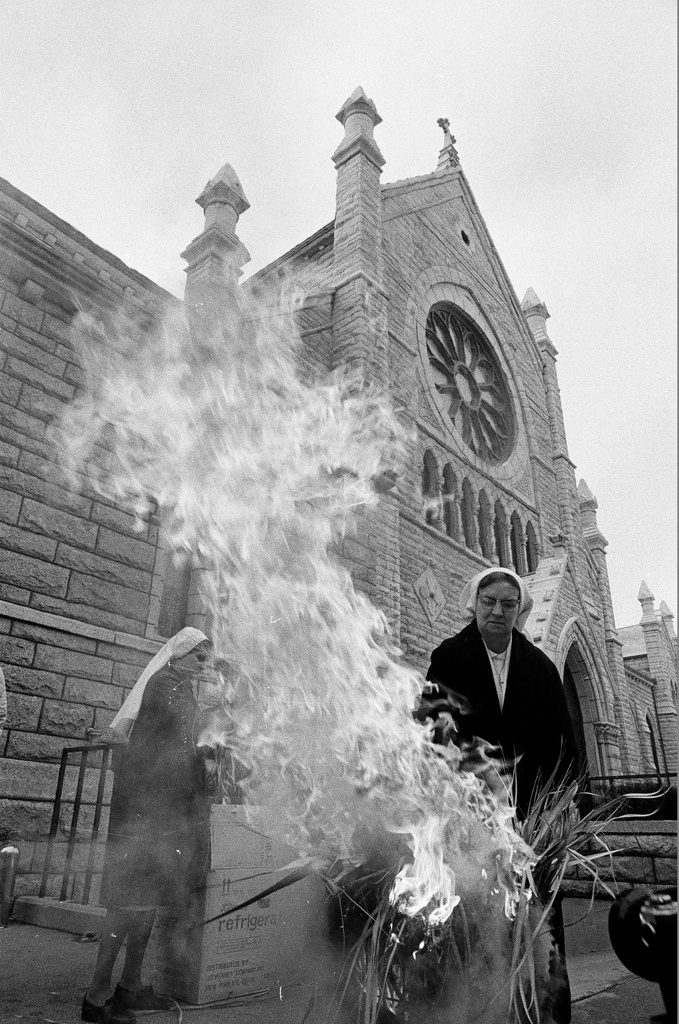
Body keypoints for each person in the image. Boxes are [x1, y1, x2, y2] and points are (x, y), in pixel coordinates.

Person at [419, 567, 579, 1024]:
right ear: (475, 603)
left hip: (532, 823)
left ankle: (547, 1013)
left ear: (520, 610)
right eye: (490, 601)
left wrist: (562, 808)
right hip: (471, 819)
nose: (498, 611)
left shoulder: (541, 668)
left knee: (540, 924)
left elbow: (564, 747)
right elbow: (431, 732)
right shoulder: (449, 657)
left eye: (509, 604)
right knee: (477, 921)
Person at [82, 627, 213, 1024]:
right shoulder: (166, 685)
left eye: (206, 658)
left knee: (147, 902)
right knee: (127, 902)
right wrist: (202, 757)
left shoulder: (180, 687)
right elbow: (169, 750)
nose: (204, 664)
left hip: (163, 809)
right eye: (199, 657)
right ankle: (98, 995)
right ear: (179, 655)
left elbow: (179, 745)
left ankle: (131, 985)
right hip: (145, 809)